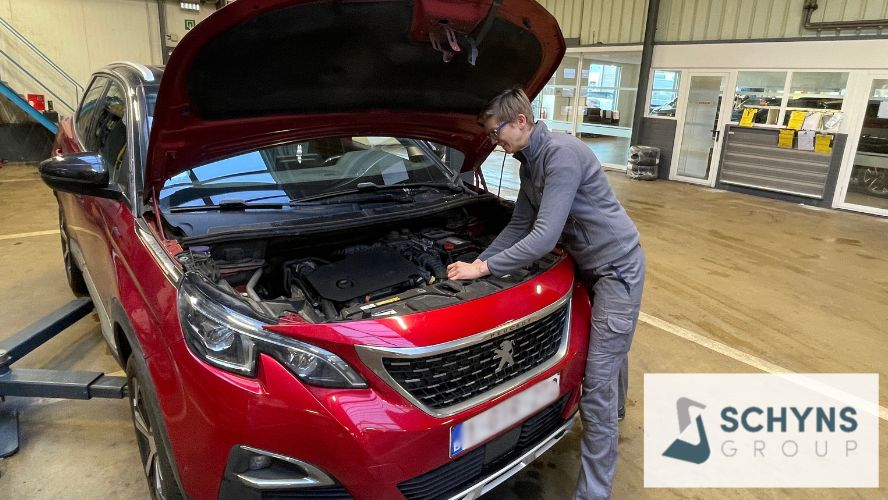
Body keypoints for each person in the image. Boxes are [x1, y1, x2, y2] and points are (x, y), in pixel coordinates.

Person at [446, 88, 645, 500]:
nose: (494, 142)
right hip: (588, 263)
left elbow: (543, 237)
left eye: (496, 132)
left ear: (521, 121)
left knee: (598, 385)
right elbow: (519, 226)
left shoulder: (561, 155)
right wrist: (471, 268)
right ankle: (619, 406)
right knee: (611, 344)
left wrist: (484, 268)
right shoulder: (528, 166)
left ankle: (594, 493)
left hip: (617, 269)